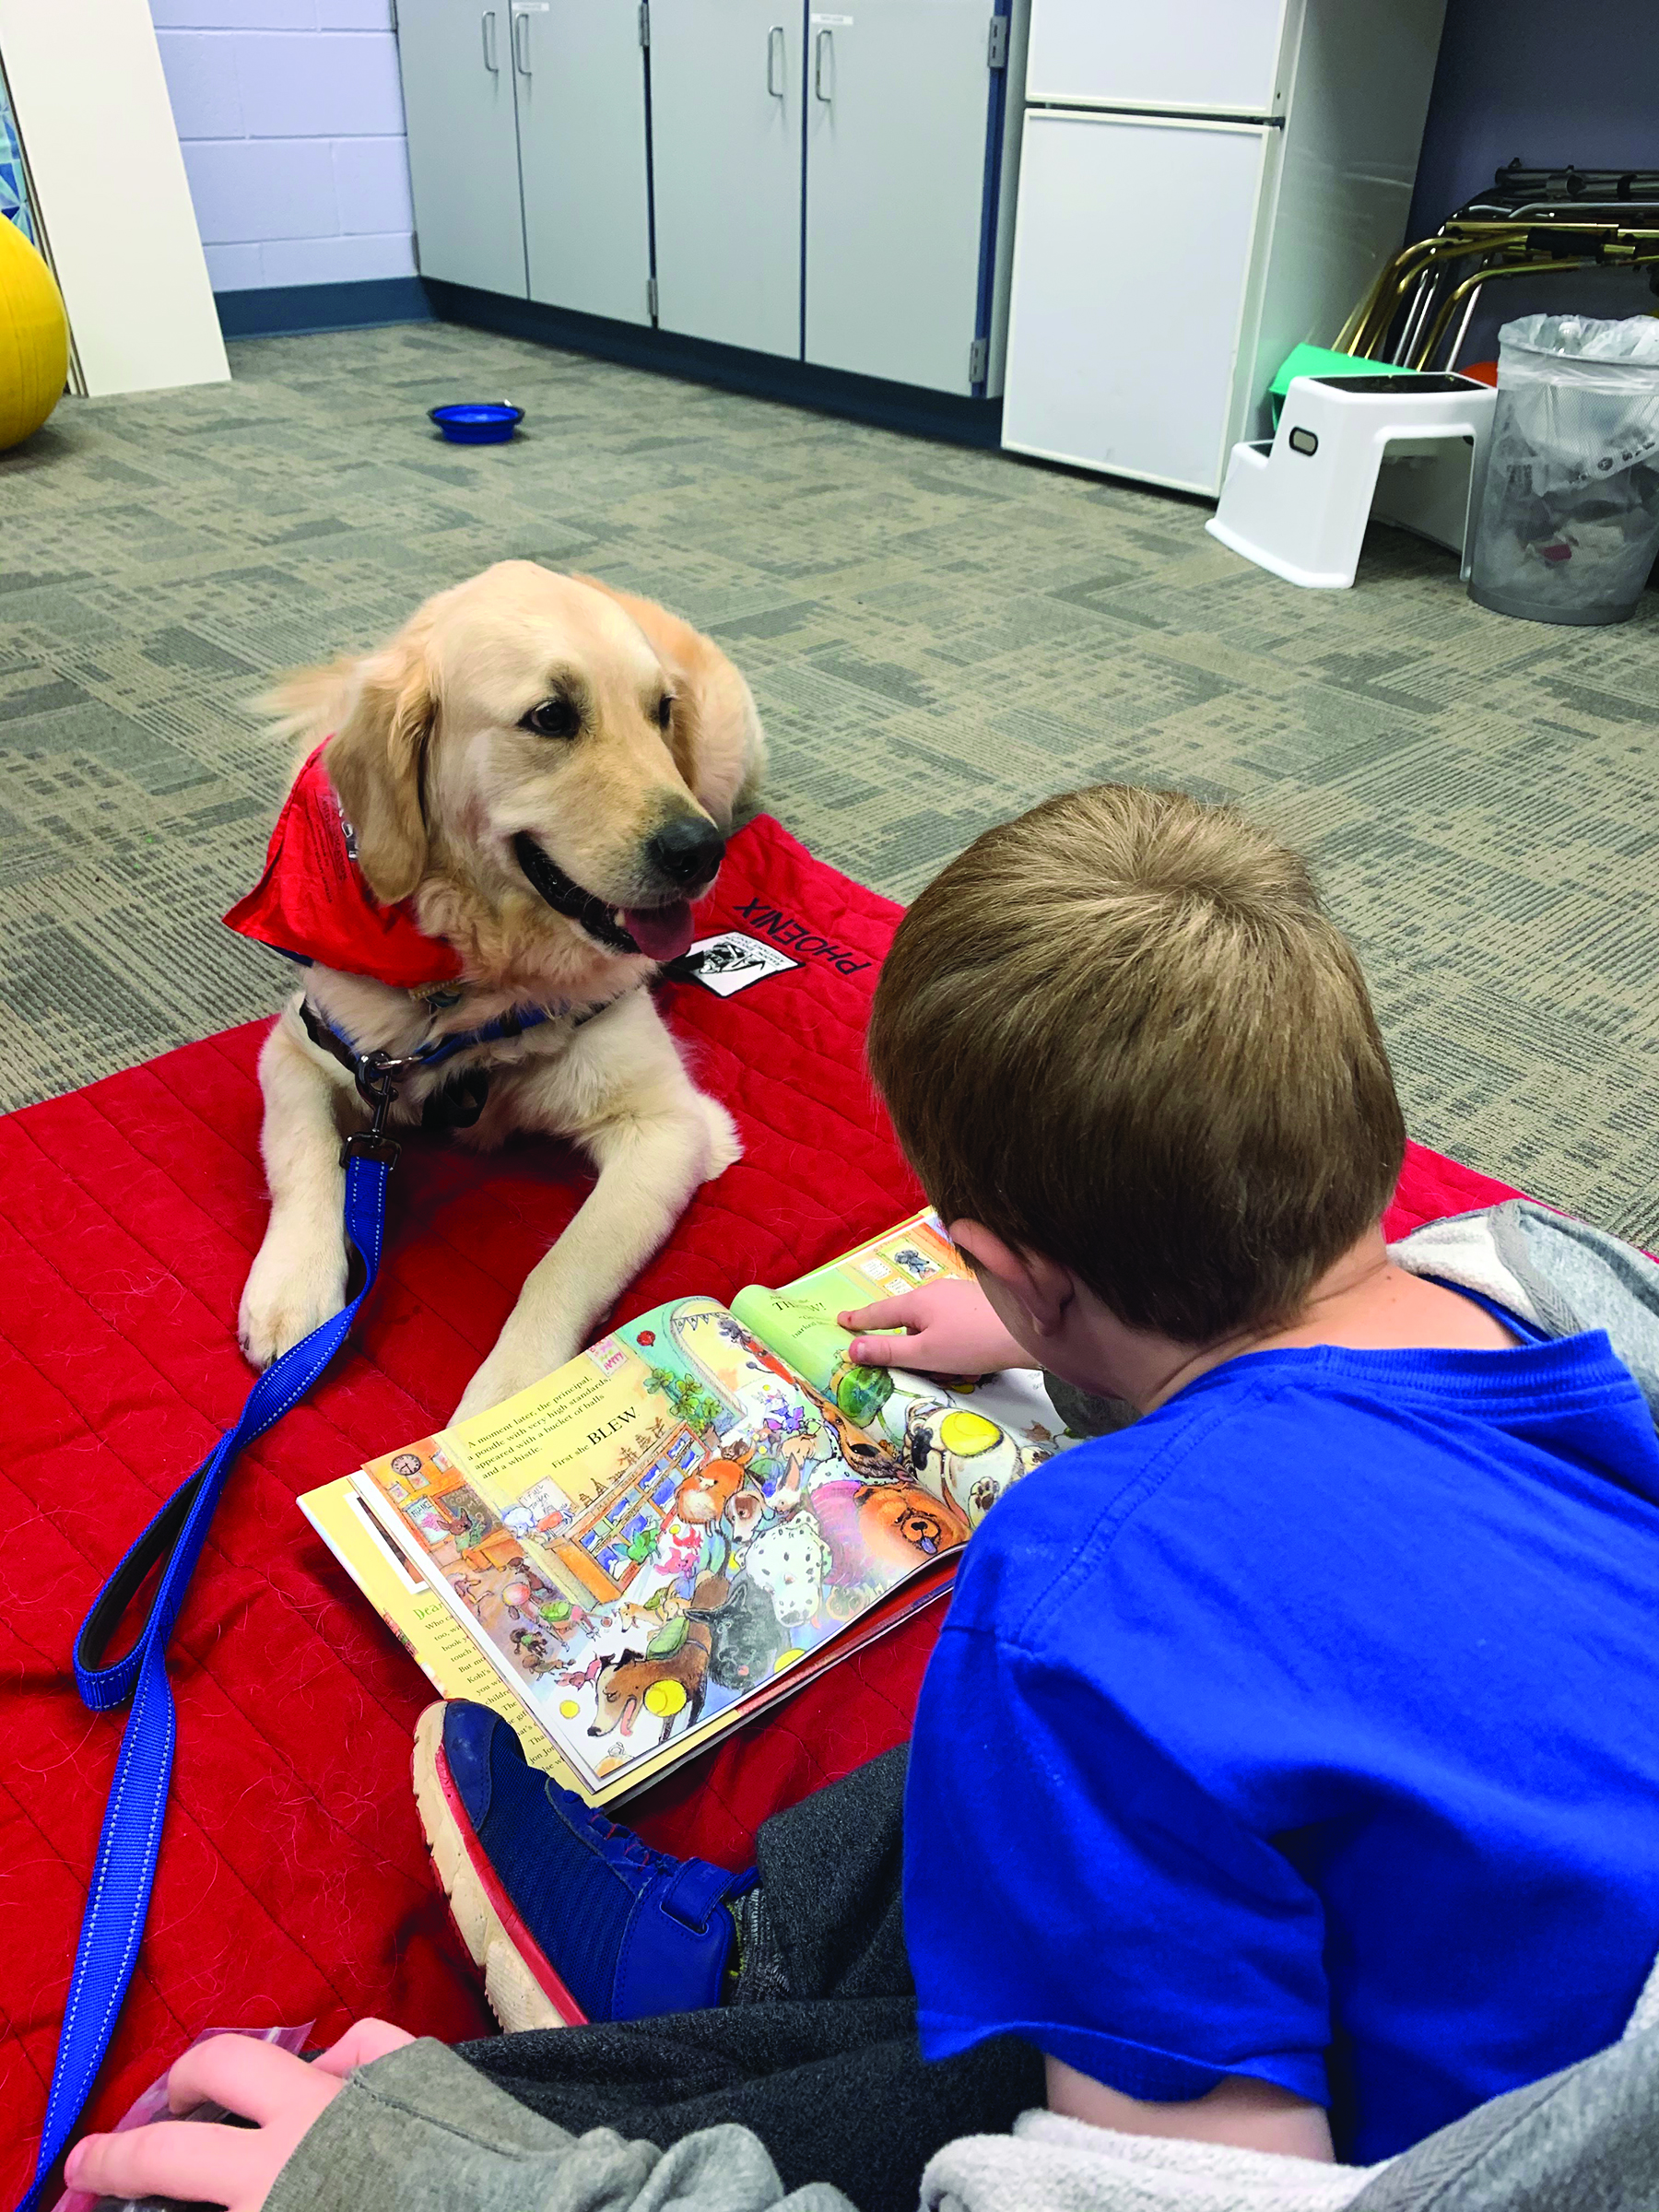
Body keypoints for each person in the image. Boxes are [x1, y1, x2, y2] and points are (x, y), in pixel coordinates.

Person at [63, 785, 1659, 2212]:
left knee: (490, 2126)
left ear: (1011, 1265)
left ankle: (718, 1999)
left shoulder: (1085, 1604)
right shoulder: (1561, 1280)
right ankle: (757, 1948)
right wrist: (1070, 1339)